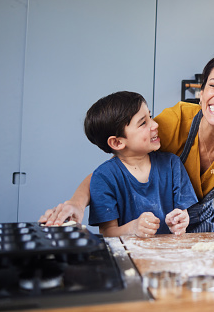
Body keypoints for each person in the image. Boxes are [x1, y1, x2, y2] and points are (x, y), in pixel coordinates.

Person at [39, 50, 214, 234]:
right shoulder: (175, 121)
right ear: (202, 92)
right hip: (155, 229)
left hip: (200, 225)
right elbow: (119, 164)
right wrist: (76, 204)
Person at [83, 91, 197, 237]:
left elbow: (183, 213)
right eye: (143, 123)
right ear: (117, 142)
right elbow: (108, 232)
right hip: (128, 257)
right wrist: (133, 228)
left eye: (150, 116)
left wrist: (181, 220)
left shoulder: (172, 164)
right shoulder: (103, 177)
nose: (155, 124)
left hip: (169, 254)